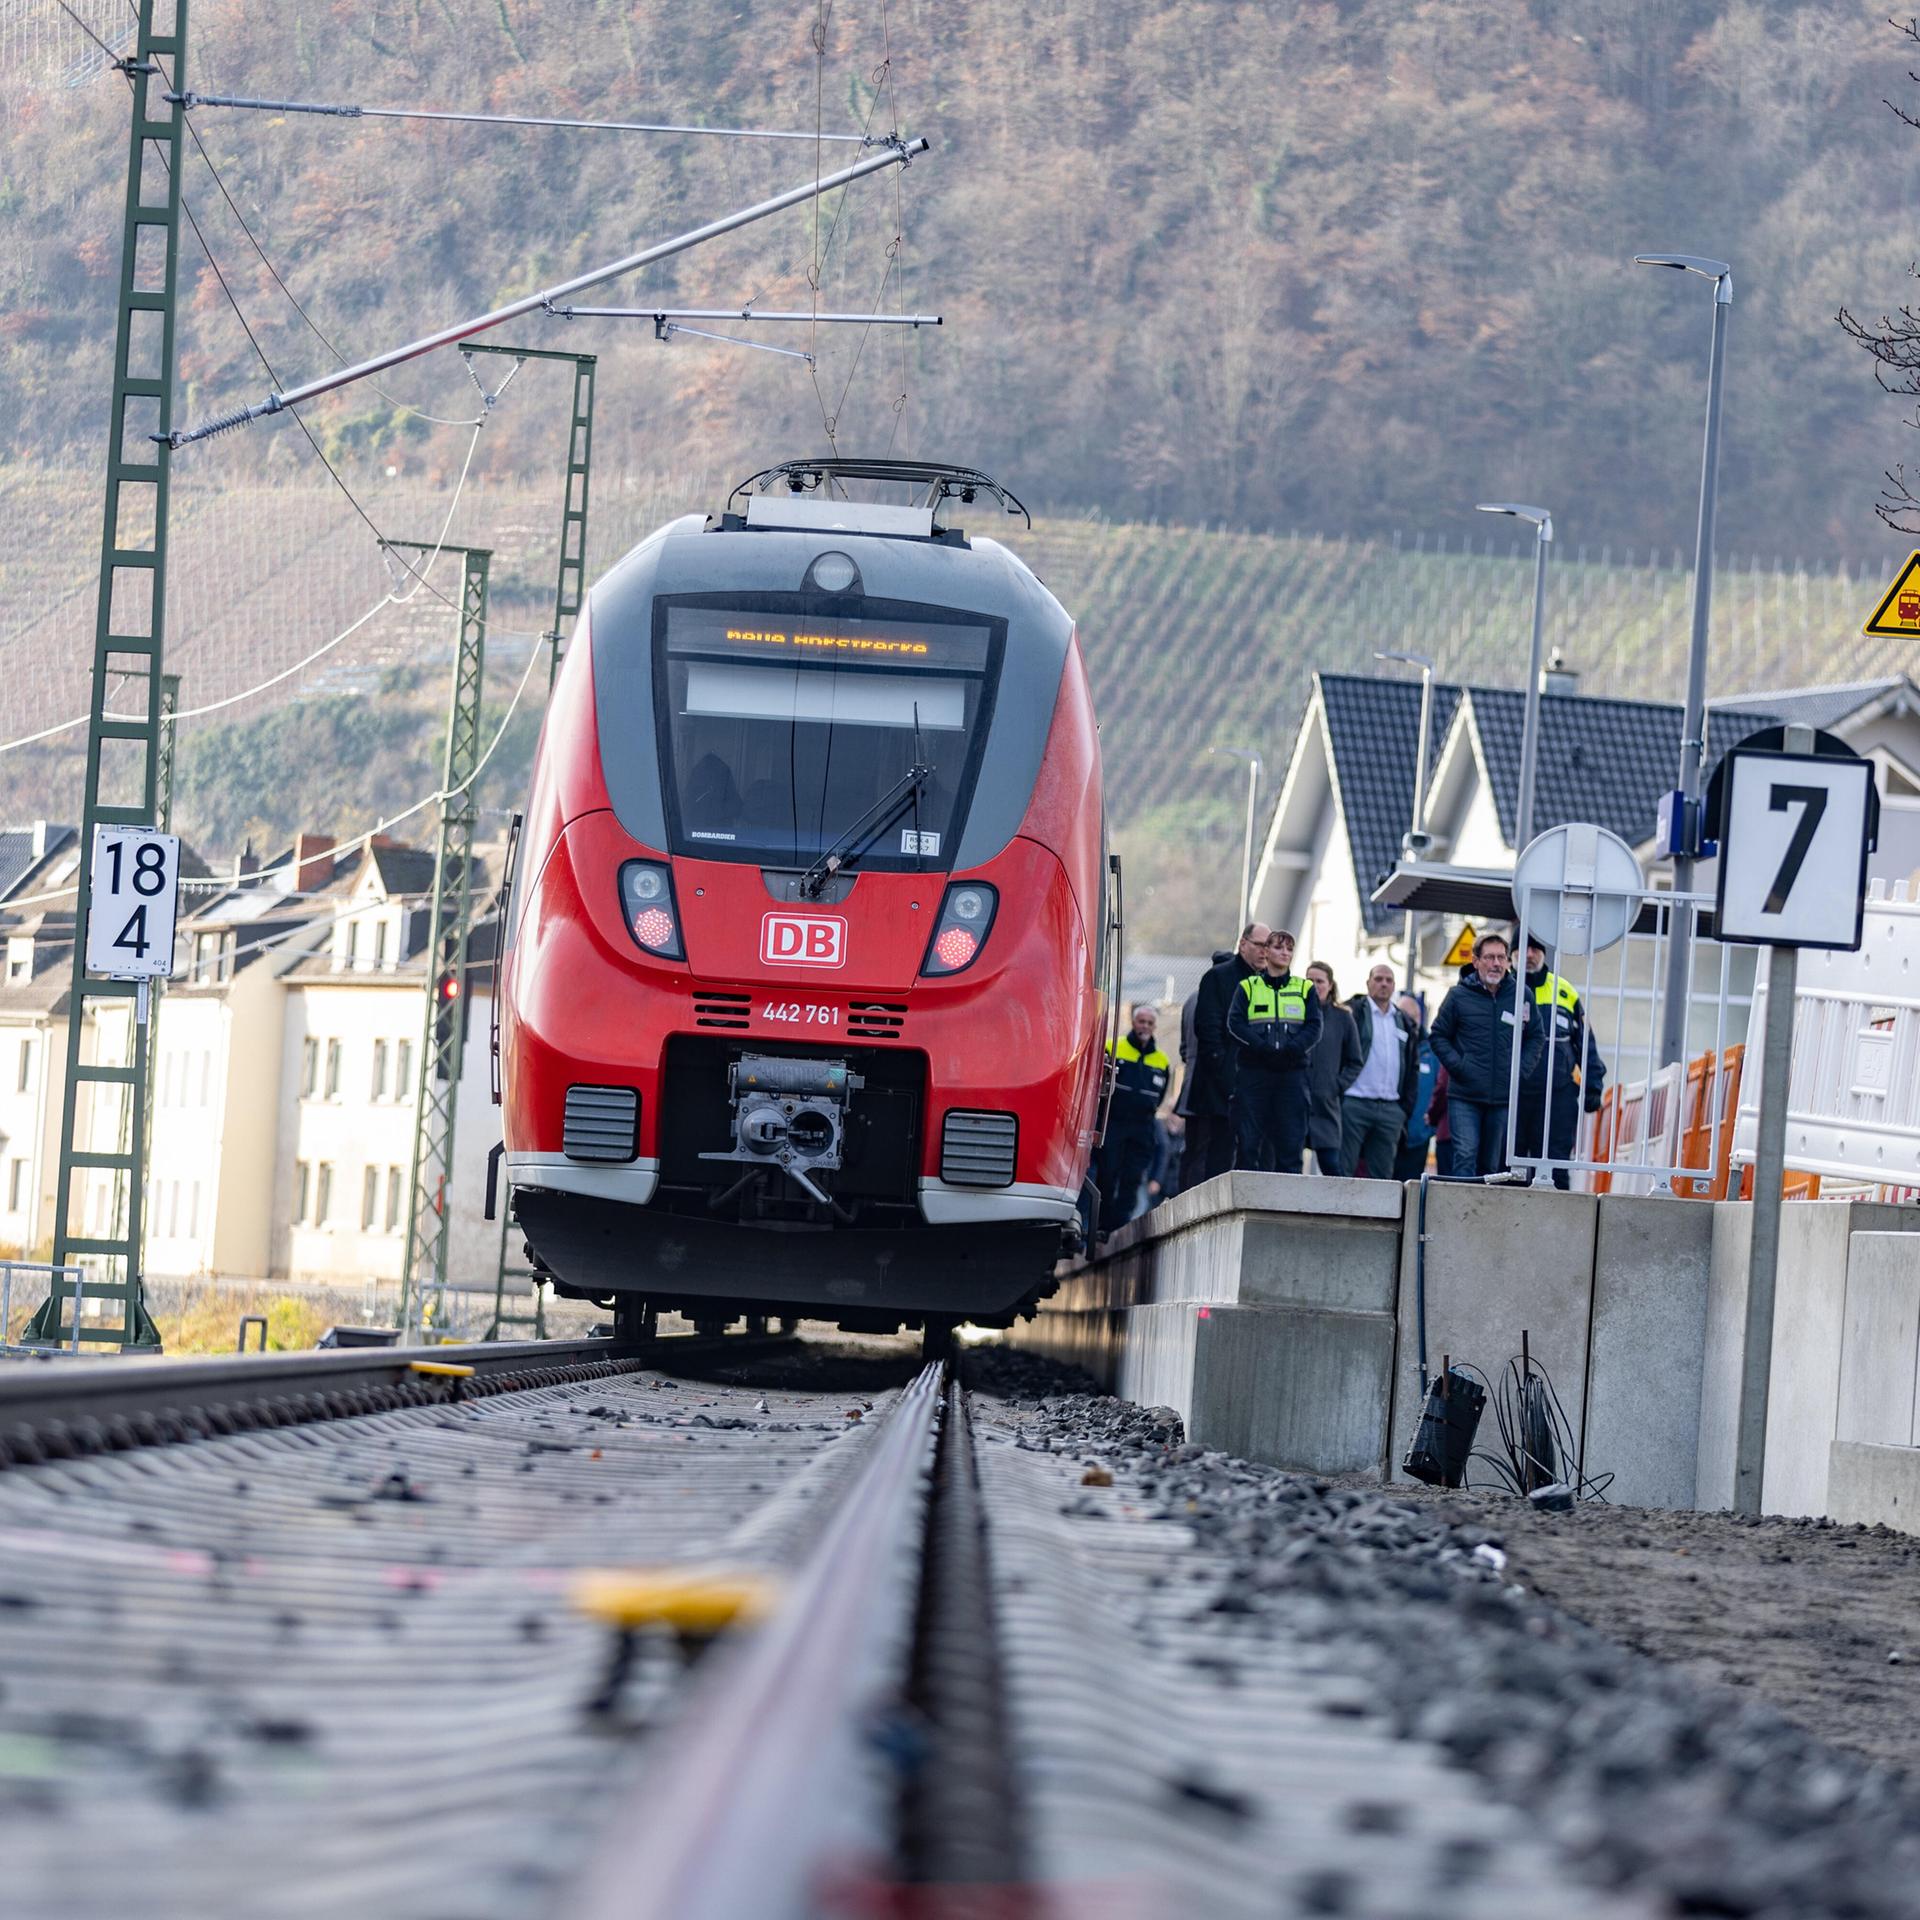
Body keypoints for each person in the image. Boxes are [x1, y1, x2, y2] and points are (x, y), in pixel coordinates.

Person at [1427, 931, 1545, 1177]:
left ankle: (1480, 1204)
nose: (1496, 963)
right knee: (1465, 1155)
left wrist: (1519, 1071)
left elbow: (1535, 1036)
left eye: (1501, 958)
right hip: (1465, 1094)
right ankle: (1460, 1204)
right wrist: (1459, 1066)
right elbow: (1438, 1035)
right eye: (1490, 957)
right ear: (1476, 961)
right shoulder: (1458, 996)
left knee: (1490, 1166)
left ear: (1508, 962)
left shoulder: (1521, 995)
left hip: (1502, 1097)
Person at [1514, 933, 1608, 1191]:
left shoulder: (1564, 990)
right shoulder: (1504, 989)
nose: (1529, 955)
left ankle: (1558, 1216)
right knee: (1510, 1170)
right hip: (1512, 1096)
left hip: (1557, 1096)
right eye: (1523, 949)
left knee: (1555, 1168)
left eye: (1535, 949)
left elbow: (1586, 1043)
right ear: (1512, 955)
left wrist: (1593, 1087)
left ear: (1544, 953)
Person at [1227, 929, 1321, 1172]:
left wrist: (1293, 1049)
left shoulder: (1305, 988)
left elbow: (1314, 1026)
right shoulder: (1248, 986)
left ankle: (1288, 1196)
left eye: (1289, 948)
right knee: (1248, 1144)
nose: (1285, 953)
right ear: (1266, 951)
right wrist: (1261, 1048)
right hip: (1254, 1073)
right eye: (1279, 947)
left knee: (1291, 1144)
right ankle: (1247, 1194)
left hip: (1292, 1074)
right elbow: (1235, 1022)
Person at [1187, 925, 1271, 1188]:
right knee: (1217, 1156)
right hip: (1221, 1086)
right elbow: (1208, 1031)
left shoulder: (1270, 982)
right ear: (1243, 944)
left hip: (1257, 1085)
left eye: (1269, 946)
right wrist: (1226, 1074)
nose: (1265, 952)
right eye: (1259, 945)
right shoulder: (1218, 978)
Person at [1342, 964, 1422, 1178]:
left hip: (1390, 1109)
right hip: (1355, 1103)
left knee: (1383, 1177)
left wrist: (1403, 1109)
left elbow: (1412, 1066)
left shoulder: (1403, 1021)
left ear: (1394, 986)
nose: (1383, 984)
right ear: (1368, 983)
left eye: (1388, 980)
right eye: (1378, 979)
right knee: (1342, 1172)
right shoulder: (1353, 1012)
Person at [1097, 1004, 1170, 1233]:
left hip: (1142, 1127)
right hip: (1114, 1123)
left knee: (1133, 1178)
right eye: (1141, 1021)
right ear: (1133, 1022)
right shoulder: (1113, 1047)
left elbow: (1160, 1095)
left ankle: (1120, 1226)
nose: (1145, 1026)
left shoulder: (1162, 1060)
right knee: (1107, 1174)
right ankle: (1103, 1225)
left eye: (1150, 1023)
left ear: (1154, 1027)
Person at [1174, 950, 1232, 1193]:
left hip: (1191, 1084)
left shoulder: (1191, 999)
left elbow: (1183, 1049)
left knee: (1193, 1148)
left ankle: (1184, 1196)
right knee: (1210, 1150)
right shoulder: (1220, 998)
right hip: (1211, 1086)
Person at [1304, 961, 1362, 1176]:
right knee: (1287, 1167)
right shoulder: (1294, 1012)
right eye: (1309, 980)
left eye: (1320, 981)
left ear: (1330, 985)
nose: (1314, 985)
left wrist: (1336, 1086)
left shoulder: (1343, 1017)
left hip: (1326, 1105)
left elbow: (1355, 1061)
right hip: (1295, 1101)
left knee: (1332, 1167)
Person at [1393, 991, 1439, 1179]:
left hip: (1418, 1138)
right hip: (1388, 1133)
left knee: (1411, 1188)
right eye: (1402, 1015)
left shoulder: (1432, 1052)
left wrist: (1429, 1128)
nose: (1408, 1021)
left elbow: (1440, 1089)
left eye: (1412, 1016)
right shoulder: (1389, 1045)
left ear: (1419, 1018)